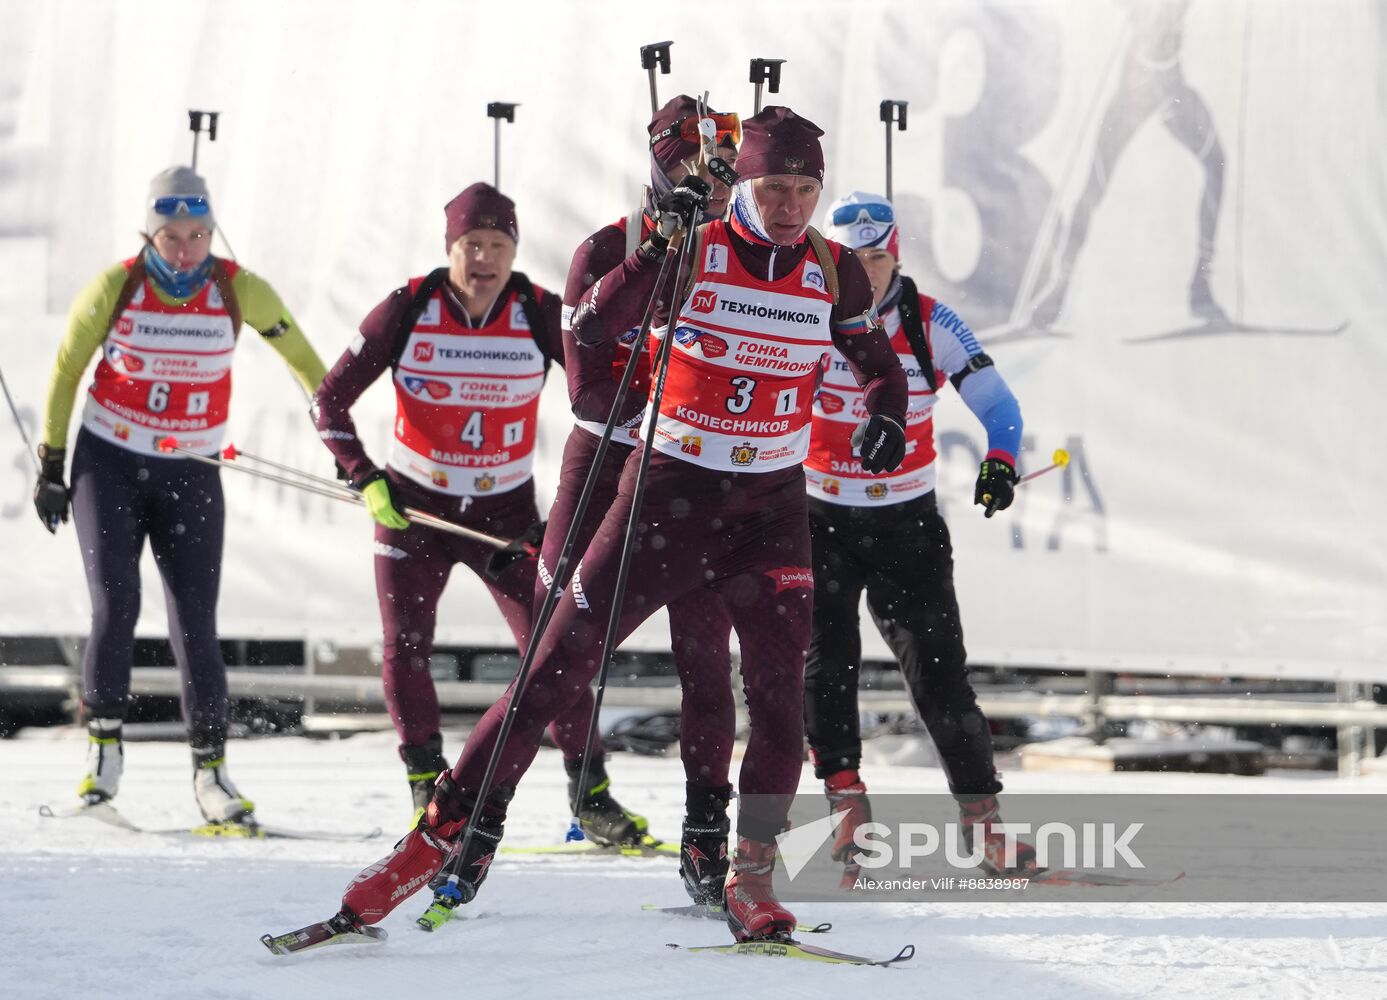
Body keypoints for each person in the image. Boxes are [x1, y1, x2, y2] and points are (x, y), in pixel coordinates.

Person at [331, 107, 908, 943]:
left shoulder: (832, 268)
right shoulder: (692, 251)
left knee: (778, 699)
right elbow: (594, 328)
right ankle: (436, 838)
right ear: (738, 185)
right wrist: (652, 251)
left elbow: (877, 367)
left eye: (805, 188)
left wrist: (884, 415)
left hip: (770, 509)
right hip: (667, 494)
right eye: (772, 187)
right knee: (555, 665)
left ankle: (746, 876)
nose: (789, 205)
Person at [312, 183, 644, 838]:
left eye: (497, 245)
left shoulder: (536, 308)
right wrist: (365, 478)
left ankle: (592, 797)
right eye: (471, 245)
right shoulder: (409, 307)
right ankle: (425, 791)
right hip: (413, 510)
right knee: (406, 647)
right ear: (450, 248)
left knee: (555, 653)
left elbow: (603, 386)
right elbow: (328, 402)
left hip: (505, 518)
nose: (483, 259)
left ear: (514, 250)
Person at [33, 166, 328, 827]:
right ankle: (103, 756)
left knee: (195, 619)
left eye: (199, 234)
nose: (187, 249)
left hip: (189, 469)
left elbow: (309, 365)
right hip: (107, 462)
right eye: (172, 236)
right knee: (116, 602)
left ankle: (211, 773)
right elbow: (65, 369)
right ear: (149, 232)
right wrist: (52, 464)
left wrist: (339, 437)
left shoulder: (238, 287)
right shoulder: (118, 285)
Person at [803, 191, 1037, 876]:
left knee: (938, 675)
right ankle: (846, 810)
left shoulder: (927, 320)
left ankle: (982, 821)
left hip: (904, 521)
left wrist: (999, 459)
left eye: (875, 258)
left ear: (895, 254)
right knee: (826, 663)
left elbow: (999, 403)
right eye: (850, 259)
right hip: (821, 518)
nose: (864, 272)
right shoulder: (808, 315)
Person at [549, 94, 742, 901]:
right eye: (705, 168)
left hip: (697, 481)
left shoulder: (748, 252)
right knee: (557, 647)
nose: (723, 187)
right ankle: (555, 797)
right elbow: (588, 391)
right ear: (665, 169)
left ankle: (706, 838)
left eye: (731, 170)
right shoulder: (606, 248)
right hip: (608, 467)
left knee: (706, 662)